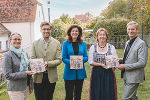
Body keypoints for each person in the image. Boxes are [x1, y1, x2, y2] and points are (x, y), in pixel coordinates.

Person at [117, 21, 148, 100]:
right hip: (127, 75)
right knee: (132, 97)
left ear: (137, 30)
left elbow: (142, 62)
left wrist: (125, 66)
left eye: (133, 29)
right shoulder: (127, 42)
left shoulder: (141, 44)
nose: (130, 31)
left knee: (126, 98)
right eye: (129, 29)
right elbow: (129, 57)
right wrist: (121, 60)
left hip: (134, 76)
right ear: (127, 30)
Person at [31, 22, 62, 100]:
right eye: (44, 29)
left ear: (51, 30)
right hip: (38, 76)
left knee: (49, 97)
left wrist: (48, 63)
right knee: (39, 98)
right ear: (40, 30)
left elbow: (59, 59)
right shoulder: (35, 43)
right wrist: (36, 68)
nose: (46, 31)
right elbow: (32, 58)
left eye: (48, 29)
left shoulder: (57, 43)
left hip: (51, 76)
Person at [2, 33, 34, 100]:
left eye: (19, 39)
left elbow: (29, 68)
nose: (17, 41)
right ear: (10, 41)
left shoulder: (24, 53)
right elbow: (7, 75)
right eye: (15, 39)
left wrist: (30, 86)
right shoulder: (8, 55)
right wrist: (25, 73)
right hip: (15, 89)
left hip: (25, 86)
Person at [88, 28, 117, 100]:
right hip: (96, 73)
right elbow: (90, 61)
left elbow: (115, 62)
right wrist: (101, 64)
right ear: (97, 37)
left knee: (108, 92)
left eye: (104, 35)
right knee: (97, 92)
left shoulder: (111, 47)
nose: (102, 36)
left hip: (108, 72)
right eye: (100, 35)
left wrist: (113, 67)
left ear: (106, 37)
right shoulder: (93, 47)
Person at [62, 24, 88, 100]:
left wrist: (79, 62)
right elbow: (63, 58)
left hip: (80, 73)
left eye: (76, 31)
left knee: (78, 95)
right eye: (73, 31)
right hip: (69, 73)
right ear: (70, 32)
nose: (75, 32)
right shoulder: (65, 43)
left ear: (79, 33)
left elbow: (86, 57)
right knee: (69, 96)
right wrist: (73, 63)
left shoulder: (83, 43)